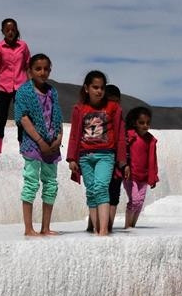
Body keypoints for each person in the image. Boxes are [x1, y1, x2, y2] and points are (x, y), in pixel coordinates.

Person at [67, 70, 128, 237]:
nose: (99, 91)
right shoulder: (79, 108)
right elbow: (74, 134)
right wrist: (71, 158)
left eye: (101, 87)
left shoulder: (113, 108)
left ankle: (103, 230)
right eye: (95, 87)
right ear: (86, 88)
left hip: (105, 154)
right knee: (91, 191)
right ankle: (95, 229)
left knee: (101, 187)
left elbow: (120, 134)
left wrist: (122, 160)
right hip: (85, 156)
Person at [14, 54, 63, 237]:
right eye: (38, 69)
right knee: (31, 183)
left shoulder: (52, 92)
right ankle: (28, 228)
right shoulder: (24, 92)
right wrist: (40, 141)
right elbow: (23, 118)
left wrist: (58, 139)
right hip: (33, 144)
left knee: (50, 184)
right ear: (30, 71)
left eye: (46, 69)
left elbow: (57, 117)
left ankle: (45, 227)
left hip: (51, 145)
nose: (42, 72)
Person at [0, 18, 31, 154]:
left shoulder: (23, 46)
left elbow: (28, 66)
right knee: (1, 117)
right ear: (2, 31)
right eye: (7, 30)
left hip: (21, 86)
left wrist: (32, 85)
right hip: (4, 86)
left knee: (21, 118)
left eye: (13, 29)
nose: (10, 32)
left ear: (16, 30)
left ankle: (22, 149)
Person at [86, 84, 123, 232]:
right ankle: (93, 226)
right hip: (101, 160)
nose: (113, 104)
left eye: (116, 101)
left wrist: (124, 163)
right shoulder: (100, 119)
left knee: (113, 194)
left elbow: (122, 142)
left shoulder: (120, 120)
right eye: (111, 101)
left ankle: (108, 227)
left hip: (116, 164)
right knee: (97, 191)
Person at [123, 106, 159, 229]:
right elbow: (124, 152)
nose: (145, 126)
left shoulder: (150, 140)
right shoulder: (130, 135)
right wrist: (125, 166)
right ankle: (127, 226)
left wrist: (153, 176)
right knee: (135, 201)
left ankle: (133, 226)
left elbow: (152, 159)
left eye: (148, 123)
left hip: (143, 176)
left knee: (140, 203)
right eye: (141, 123)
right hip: (131, 175)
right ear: (135, 123)